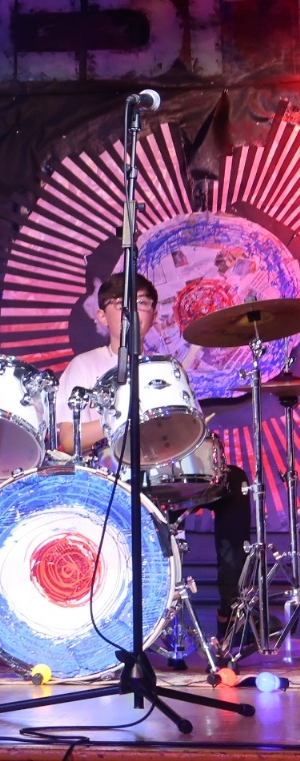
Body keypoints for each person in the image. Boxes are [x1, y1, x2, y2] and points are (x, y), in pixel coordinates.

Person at [55, 272, 251, 650]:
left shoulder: (166, 368)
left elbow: (189, 429)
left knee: (235, 483)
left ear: (154, 314)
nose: (134, 312)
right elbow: (67, 438)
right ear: (102, 316)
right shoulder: (85, 366)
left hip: (164, 470)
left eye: (143, 303)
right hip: (113, 477)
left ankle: (234, 611)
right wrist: (122, 419)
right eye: (123, 305)